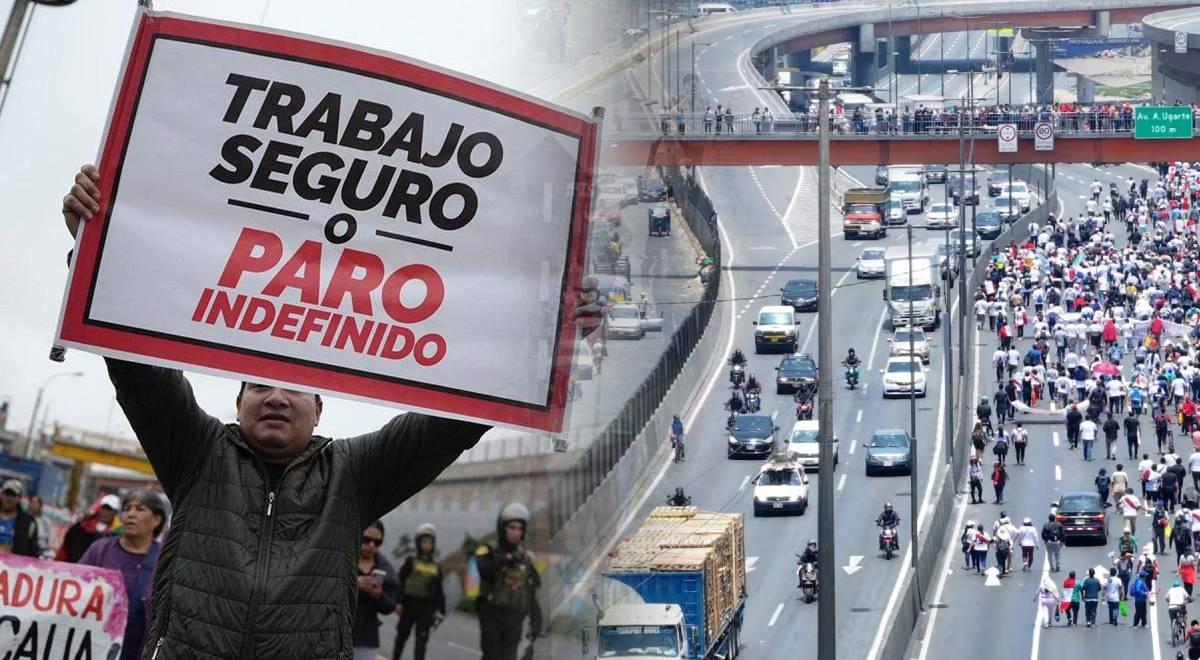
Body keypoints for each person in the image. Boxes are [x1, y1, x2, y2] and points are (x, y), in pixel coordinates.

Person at [65, 162, 491, 659]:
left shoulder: (353, 474)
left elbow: (451, 422)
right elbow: (138, 367)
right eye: (260, 383)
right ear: (237, 400)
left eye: (296, 388)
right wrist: (96, 250)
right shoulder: (197, 451)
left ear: (320, 408)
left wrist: (546, 339)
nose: (276, 396)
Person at [78, 490, 168, 660]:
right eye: (127, 509)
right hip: (93, 646)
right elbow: (75, 589)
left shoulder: (164, 560)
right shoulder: (100, 550)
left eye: (140, 509)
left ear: (156, 519)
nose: (131, 514)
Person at [475, 503, 542, 660]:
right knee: (492, 656)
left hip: (515, 619)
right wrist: (506, 559)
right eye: (512, 527)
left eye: (519, 528)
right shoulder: (488, 550)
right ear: (502, 527)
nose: (516, 532)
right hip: (492, 615)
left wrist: (536, 622)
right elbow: (485, 572)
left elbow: (531, 590)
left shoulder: (526, 558)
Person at [393, 523, 445, 660]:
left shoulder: (436, 566)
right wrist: (398, 602)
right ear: (418, 543)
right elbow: (401, 582)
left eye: (430, 542)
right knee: (401, 637)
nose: (427, 545)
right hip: (409, 605)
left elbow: (440, 590)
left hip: (426, 608)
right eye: (424, 542)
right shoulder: (410, 561)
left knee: (421, 642)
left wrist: (439, 609)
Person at [353, 521, 399, 660]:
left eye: (377, 542)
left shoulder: (386, 569)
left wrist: (379, 595)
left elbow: (390, 605)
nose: (371, 545)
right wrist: (354, 584)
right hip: (337, 633)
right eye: (366, 540)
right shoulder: (342, 558)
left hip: (367, 638)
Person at [56, 493, 120, 562]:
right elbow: (65, 550)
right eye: (104, 508)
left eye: (109, 510)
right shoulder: (81, 528)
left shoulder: (116, 535)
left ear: (115, 513)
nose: (105, 512)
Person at [0, 479, 40, 557]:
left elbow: (33, 554)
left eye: (13, 495)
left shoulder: (28, 523)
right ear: (1, 495)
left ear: (19, 498)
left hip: (12, 568)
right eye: (7, 494)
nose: (9, 498)